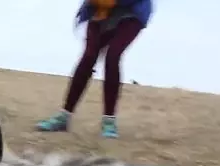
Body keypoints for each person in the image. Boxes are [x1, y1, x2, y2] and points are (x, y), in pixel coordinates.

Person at [35, 0, 152, 138]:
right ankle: (64, 117)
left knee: (112, 56)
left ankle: (109, 121)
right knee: (88, 57)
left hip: (132, 12)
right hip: (99, 9)